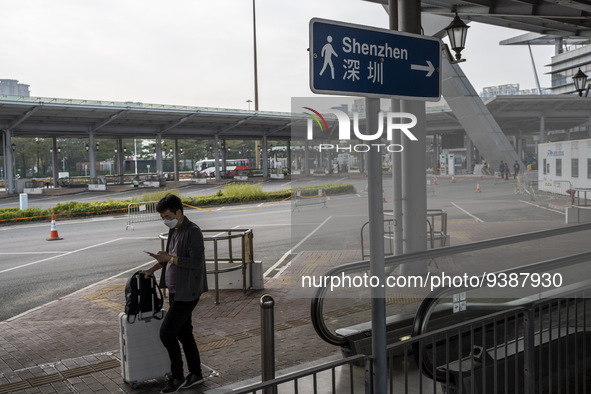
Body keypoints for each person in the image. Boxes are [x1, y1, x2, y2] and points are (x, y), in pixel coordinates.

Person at [143, 194, 208, 393]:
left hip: (188, 292)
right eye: (162, 217)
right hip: (175, 290)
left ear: (179, 212)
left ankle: (178, 376)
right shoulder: (175, 230)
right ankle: (195, 374)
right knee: (184, 332)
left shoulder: (193, 231)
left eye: (167, 216)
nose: (165, 220)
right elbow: (168, 257)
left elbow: (196, 262)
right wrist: (152, 269)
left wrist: (170, 258)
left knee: (167, 332)